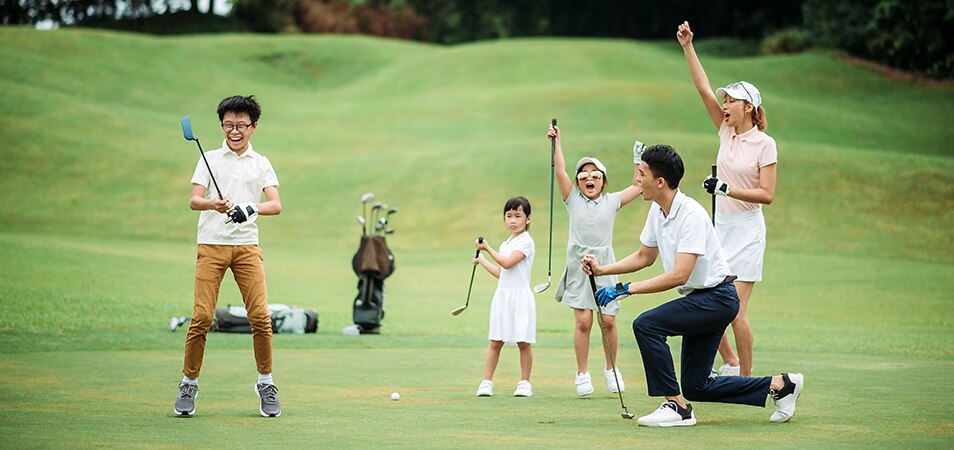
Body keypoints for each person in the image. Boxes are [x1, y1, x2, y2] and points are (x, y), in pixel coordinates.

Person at [581, 144, 802, 427]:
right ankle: (782, 384)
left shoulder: (691, 214)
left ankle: (677, 406)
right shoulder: (657, 211)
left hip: (718, 299)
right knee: (698, 385)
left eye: (642, 173)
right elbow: (644, 256)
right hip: (703, 300)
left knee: (647, 325)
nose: (637, 179)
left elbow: (679, 275)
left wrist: (626, 289)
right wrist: (603, 269)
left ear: (660, 182)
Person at [678, 21, 778, 377]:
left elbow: (767, 194)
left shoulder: (765, 144)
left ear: (748, 107)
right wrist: (689, 47)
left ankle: (747, 380)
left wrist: (726, 190)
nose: (724, 104)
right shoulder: (725, 131)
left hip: (747, 229)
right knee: (704, 299)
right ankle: (731, 363)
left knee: (735, 312)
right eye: (725, 100)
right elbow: (702, 88)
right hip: (719, 230)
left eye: (731, 100)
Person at [174, 95, 283, 418]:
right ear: (222, 125)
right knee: (202, 317)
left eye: (241, 125)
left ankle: (266, 382)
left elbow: (275, 204)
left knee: (261, 318)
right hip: (211, 244)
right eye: (228, 125)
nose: (234, 131)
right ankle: (188, 383)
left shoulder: (261, 162)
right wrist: (213, 204)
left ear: (253, 127)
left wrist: (250, 207)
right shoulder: (208, 158)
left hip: (247, 247)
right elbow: (194, 200)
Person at [547, 124, 642, 397]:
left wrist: (637, 161)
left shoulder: (612, 201)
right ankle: (582, 374)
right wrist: (557, 142)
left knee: (608, 320)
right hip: (578, 263)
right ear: (578, 182)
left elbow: (637, 186)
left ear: (603, 180)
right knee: (583, 322)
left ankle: (612, 369)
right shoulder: (572, 199)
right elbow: (560, 171)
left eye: (595, 175)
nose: (590, 179)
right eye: (584, 176)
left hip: (605, 263)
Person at [473, 196, 537, 398]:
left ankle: (525, 383)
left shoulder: (526, 241)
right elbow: (502, 272)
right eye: (509, 216)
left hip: (520, 298)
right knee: (495, 340)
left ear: (527, 219)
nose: (513, 220)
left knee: (523, 341)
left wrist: (487, 249)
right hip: (502, 296)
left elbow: (508, 263)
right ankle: (486, 382)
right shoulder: (505, 244)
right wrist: (482, 260)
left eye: (518, 216)